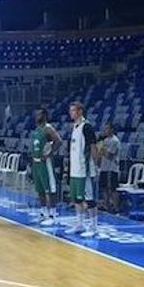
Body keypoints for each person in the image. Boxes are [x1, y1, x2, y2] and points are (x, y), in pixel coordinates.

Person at [65, 101, 100, 238]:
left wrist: (96, 165)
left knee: (89, 199)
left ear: (80, 111)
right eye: (70, 110)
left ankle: (94, 227)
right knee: (77, 199)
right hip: (75, 169)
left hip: (85, 169)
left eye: (73, 110)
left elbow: (93, 147)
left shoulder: (87, 127)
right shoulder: (75, 127)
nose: (71, 113)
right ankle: (79, 224)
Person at [30, 107, 62, 226]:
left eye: (38, 114)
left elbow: (59, 141)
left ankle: (53, 215)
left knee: (50, 189)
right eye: (36, 114)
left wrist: (49, 153)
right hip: (36, 162)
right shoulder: (37, 129)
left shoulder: (48, 128)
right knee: (40, 189)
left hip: (45, 163)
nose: (36, 116)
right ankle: (43, 213)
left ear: (44, 115)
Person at [98, 123, 121, 213]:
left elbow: (109, 155)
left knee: (113, 189)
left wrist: (102, 148)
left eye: (107, 128)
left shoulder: (115, 141)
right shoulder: (105, 140)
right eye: (105, 128)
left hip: (112, 168)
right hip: (104, 167)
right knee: (104, 188)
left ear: (112, 129)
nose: (105, 130)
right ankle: (106, 205)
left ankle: (116, 208)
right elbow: (100, 154)